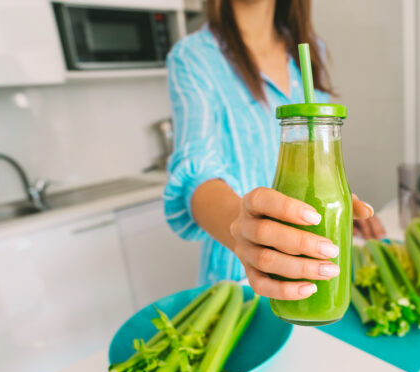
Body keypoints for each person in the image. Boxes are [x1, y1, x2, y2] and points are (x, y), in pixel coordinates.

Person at [164, 0, 385, 301]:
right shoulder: (194, 57)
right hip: (240, 276)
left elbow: (318, 153)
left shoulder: (308, 49)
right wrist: (244, 227)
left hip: (318, 262)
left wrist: (340, 204)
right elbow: (195, 172)